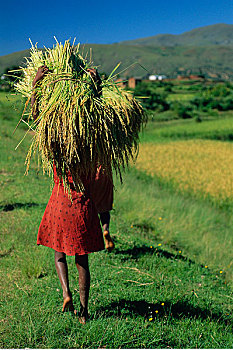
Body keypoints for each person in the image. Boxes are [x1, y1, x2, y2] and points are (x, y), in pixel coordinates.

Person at [31, 66, 114, 324]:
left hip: (58, 203)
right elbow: (103, 122)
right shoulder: (90, 148)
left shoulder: (55, 146)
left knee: (59, 253)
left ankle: (65, 293)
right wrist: (96, 87)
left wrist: (36, 87)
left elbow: (36, 121)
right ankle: (84, 310)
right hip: (82, 208)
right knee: (82, 260)